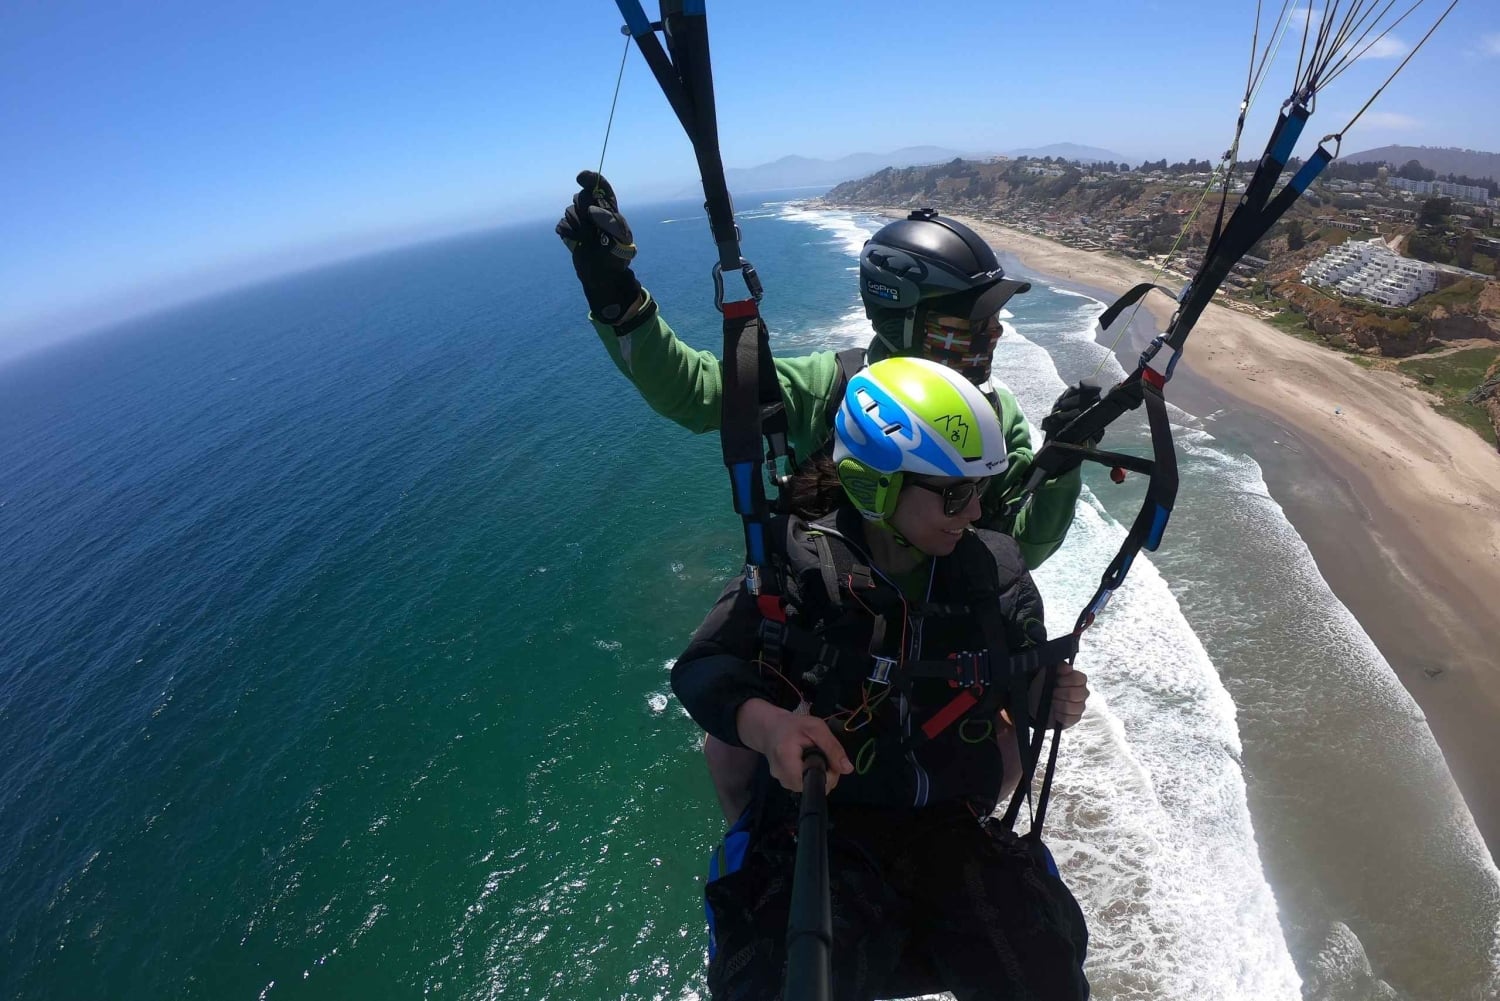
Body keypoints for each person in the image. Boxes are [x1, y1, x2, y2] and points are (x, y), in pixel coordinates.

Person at [558, 172, 1101, 821]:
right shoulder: (831, 388)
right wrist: (617, 295)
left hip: (944, 626)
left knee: (1005, 742)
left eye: (991, 328)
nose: (992, 343)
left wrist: (1063, 466)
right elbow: (699, 391)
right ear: (904, 324)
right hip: (834, 614)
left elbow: (1021, 547)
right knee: (727, 751)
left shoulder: (994, 419)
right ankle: (751, 850)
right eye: (969, 329)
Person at [671, 356, 1091, 1001]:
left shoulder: (993, 575)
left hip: (950, 823)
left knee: (1041, 975)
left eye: (979, 488)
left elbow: (1021, 673)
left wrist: (1045, 697)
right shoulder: (798, 571)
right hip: (826, 822)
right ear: (877, 486)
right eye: (954, 492)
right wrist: (771, 725)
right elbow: (704, 668)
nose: (974, 510)